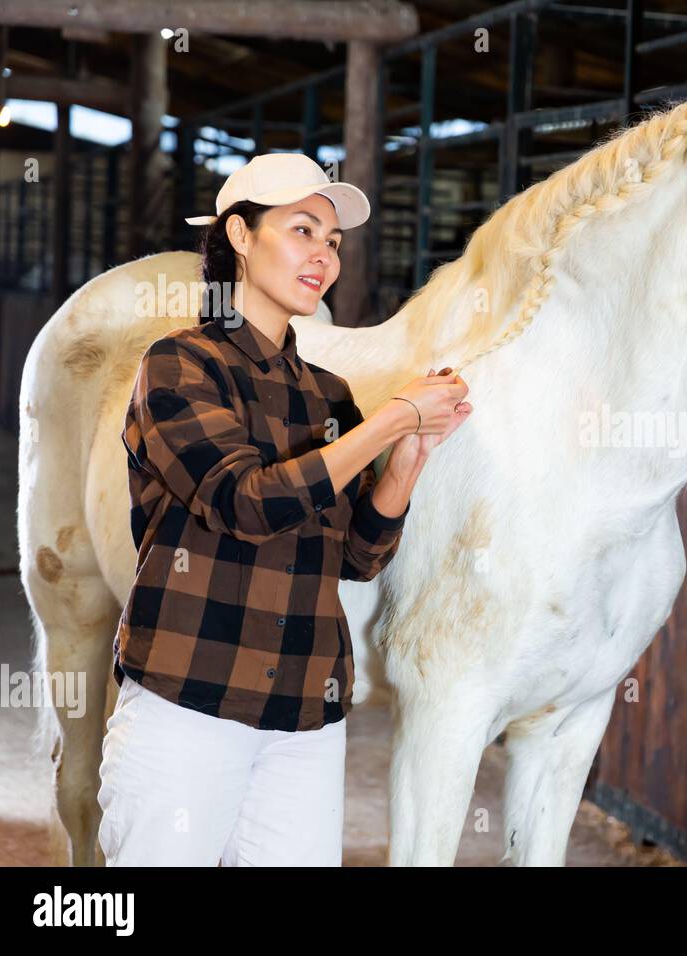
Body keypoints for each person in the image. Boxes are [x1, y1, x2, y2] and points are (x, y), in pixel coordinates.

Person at [97, 153, 472, 866]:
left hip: (305, 718)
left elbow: (359, 556)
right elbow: (247, 504)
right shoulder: (178, 366)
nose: (322, 256)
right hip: (188, 707)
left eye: (332, 242)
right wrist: (391, 422)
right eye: (302, 230)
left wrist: (413, 454)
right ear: (240, 236)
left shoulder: (329, 396)